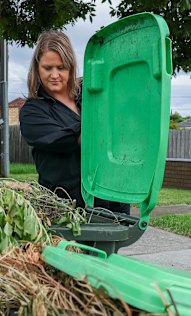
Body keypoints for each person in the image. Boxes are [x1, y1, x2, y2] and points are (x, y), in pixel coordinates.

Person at [19, 31, 130, 215]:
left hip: (111, 202)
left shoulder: (89, 98)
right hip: (65, 211)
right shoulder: (33, 111)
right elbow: (60, 140)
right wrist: (96, 130)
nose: (54, 75)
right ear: (37, 68)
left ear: (71, 67)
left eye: (61, 67)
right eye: (48, 68)